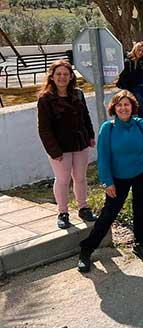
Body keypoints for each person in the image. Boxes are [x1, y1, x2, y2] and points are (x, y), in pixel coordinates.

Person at [77, 91, 143, 272]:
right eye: (119, 105)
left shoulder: (141, 125)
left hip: (141, 173)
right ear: (114, 108)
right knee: (108, 214)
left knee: (141, 210)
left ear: (132, 107)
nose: (123, 108)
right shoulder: (108, 128)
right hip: (118, 179)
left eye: (127, 105)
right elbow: (104, 158)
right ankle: (86, 249)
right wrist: (107, 182)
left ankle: (140, 242)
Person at [37, 60, 97, 229]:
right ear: (52, 77)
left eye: (65, 74)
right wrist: (54, 151)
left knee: (80, 178)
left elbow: (86, 117)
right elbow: (44, 129)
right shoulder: (45, 99)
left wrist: (90, 136)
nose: (62, 77)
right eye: (58, 74)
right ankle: (62, 212)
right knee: (63, 180)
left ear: (71, 76)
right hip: (59, 148)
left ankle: (83, 208)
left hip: (80, 144)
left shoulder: (78, 94)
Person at [117, 41, 143, 123]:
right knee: (142, 113)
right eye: (139, 50)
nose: (141, 53)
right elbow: (123, 77)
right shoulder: (129, 62)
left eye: (142, 51)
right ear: (135, 50)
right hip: (135, 89)